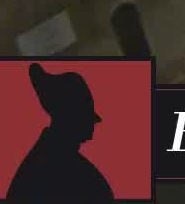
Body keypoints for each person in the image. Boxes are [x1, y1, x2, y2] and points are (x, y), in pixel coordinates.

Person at [7, 63, 116, 200]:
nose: (92, 125)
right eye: (85, 116)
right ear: (70, 117)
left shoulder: (53, 160)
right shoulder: (50, 167)